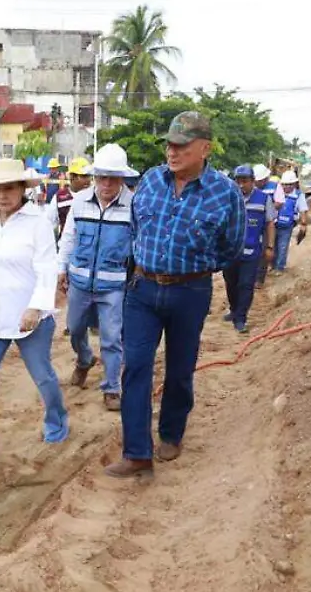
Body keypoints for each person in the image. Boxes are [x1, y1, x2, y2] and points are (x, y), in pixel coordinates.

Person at [104, 112, 245, 478]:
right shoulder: (150, 180)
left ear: (205, 149)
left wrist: (196, 268)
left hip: (191, 291)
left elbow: (231, 247)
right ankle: (137, 452)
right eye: (169, 144)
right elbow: (136, 228)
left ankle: (171, 433)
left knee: (180, 369)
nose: (172, 151)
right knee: (136, 367)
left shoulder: (225, 193)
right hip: (143, 289)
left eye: (182, 145)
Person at [0, 159, 68, 476]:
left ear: (22, 189)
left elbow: (47, 268)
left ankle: (57, 420)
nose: (2, 195)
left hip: (28, 318)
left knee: (42, 375)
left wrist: (36, 307)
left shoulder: (38, 223)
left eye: (9, 188)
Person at [56, 144, 137, 412]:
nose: (106, 183)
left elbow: (138, 246)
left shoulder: (133, 206)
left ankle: (112, 387)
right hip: (79, 283)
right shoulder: (80, 202)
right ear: (94, 177)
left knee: (111, 338)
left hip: (114, 287)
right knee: (75, 329)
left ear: (122, 178)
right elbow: (68, 237)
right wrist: (61, 268)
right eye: (102, 177)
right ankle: (84, 359)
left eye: (113, 178)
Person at [222, 165, 275, 334]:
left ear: (253, 181)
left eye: (244, 181)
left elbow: (270, 223)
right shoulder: (228, 198)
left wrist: (270, 246)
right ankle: (234, 309)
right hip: (230, 252)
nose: (241, 185)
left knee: (245, 285)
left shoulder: (264, 199)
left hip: (251, 252)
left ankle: (241, 318)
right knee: (231, 283)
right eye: (238, 181)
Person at [271, 170, 308, 273]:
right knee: (272, 245)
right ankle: (272, 266)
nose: (287, 186)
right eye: (285, 184)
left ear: (294, 184)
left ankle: (279, 267)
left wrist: (303, 225)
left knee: (282, 246)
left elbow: (303, 210)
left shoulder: (298, 195)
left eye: (290, 184)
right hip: (274, 224)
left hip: (287, 226)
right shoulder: (276, 192)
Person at [47, 157, 93, 236]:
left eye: (89, 176)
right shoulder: (59, 198)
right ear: (72, 177)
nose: (88, 180)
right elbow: (49, 224)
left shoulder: (95, 197)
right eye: (84, 176)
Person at [252, 164, 273, 288]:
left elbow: (270, 221)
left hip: (265, 225)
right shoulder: (244, 192)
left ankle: (259, 279)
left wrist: (270, 246)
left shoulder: (273, 188)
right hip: (252, 227)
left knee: (263, 253)